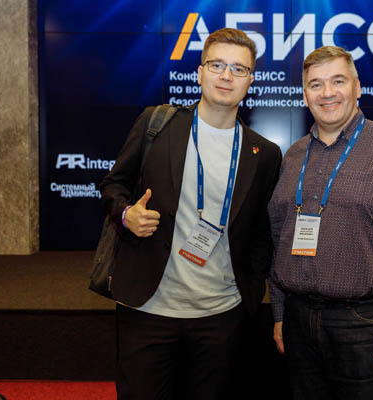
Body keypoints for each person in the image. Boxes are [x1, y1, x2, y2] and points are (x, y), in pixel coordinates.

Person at [100, 28, 282, 400]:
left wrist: (249, 294)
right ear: (199, 73)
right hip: (148, 308)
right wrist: (126, 214)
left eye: (238, 68)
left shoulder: (263, 153)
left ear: (250, 80)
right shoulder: (157, 124)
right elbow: (113, 184)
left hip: (221, 315)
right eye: (217, 65)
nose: (226, 75)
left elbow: (262, 234)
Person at [268, 45, 373, 400]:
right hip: (298, 322)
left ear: (357, 87)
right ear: (304, 94)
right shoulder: (293, 156)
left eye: (338, 81)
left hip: (365, 325)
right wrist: (281, 314)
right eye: (316, 84)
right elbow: (278, 239)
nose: (327, 93)